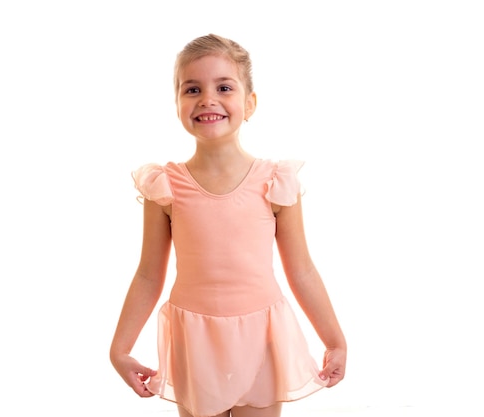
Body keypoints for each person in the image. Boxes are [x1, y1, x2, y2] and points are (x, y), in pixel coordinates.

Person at [110, 33, 347, 417]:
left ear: (249, 103)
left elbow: (301, 270)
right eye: (192, 89)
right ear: (176, 104)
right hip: (194, 340)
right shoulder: (165, 187)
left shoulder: (276, 182)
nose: (207, 99)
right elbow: (148, 276)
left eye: (224, 87)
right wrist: (120, 348)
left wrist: (334, 340)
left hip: (262, 338)